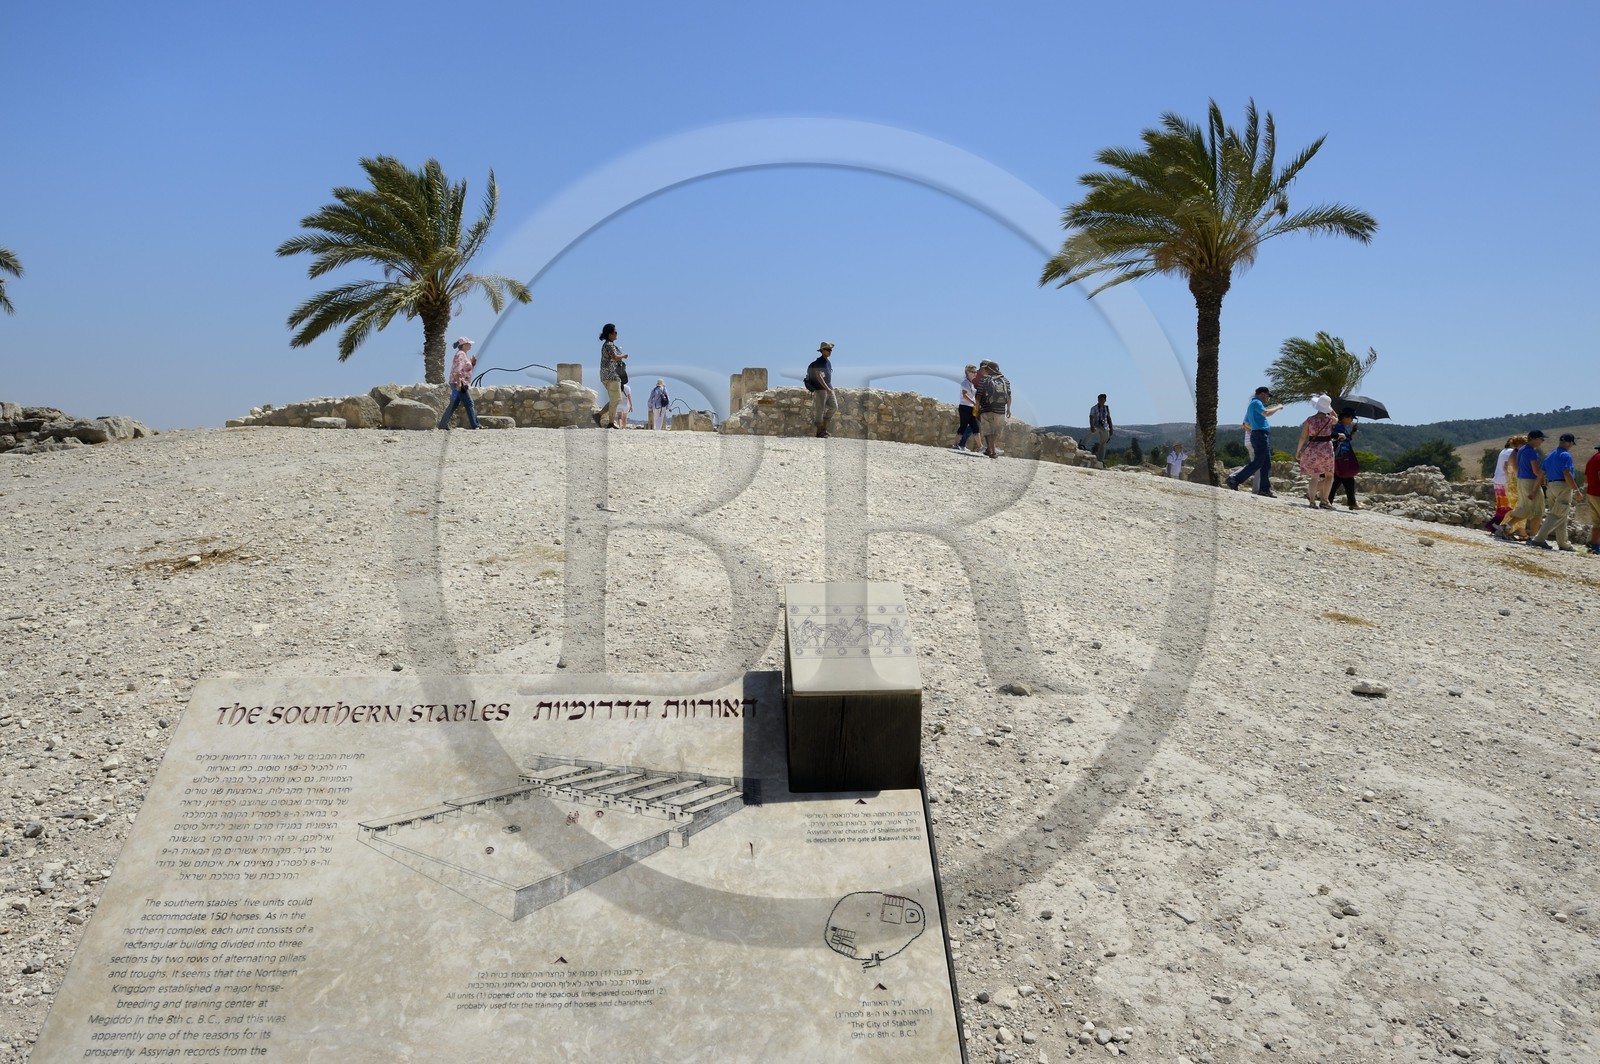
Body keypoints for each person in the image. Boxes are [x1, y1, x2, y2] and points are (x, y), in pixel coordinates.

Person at [1226, 386, 1285, 495]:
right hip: (1260, 435)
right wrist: (1278, 407)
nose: (1268, 398)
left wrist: (1254, 429)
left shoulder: (1251, 405)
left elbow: (1246, 423)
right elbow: (1266, 413)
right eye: (1267, 396)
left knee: (1266, 464)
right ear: (1263, 394)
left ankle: (1264, 489)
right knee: (1258, 462)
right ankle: (1235, 479)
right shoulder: (1257, 403)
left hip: (1258, 434)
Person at [1530, 433, 1578, 551]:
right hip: (1563, 486)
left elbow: (1541, 474)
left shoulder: (1550, 455)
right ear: (1570, 443)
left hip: (1550, 486)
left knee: (1560, 515)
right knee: (1557, 514)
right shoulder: (1566, 455)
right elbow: (1567, 473)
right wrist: (1576, 490)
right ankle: (1539, 538)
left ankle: (1563, 543)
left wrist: (1534, 490)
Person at [1498, 430, 1547, 542]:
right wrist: (1542, 477)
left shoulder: (1521, 450)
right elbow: (1535, 470)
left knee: (1525, 508)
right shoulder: (1531, 452)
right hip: (1531, 481)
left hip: (1521, 481)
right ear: (1535, 439)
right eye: (1541, 439)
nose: (1542, 441)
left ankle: (1506, 527)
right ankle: (1533, 538)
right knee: (1538, 511)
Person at [1295, 394, 1338, 509]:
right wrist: (1330, 408)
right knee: (1329, 475)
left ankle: (1312, 502)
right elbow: (1336, 418)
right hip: (1326, 449)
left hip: (1313, 448)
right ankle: (1324, 500)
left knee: (1315, 476)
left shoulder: (1309, 420)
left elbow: (1303, 437)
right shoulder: (1330, 420)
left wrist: (1298, 451)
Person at [436, 337, 480, 430]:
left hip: (458, 383)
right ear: (463, 345)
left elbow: (465, 369)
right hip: (459, 383)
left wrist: (472, 363)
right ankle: (475, 425)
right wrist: (459, 383)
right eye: (468, 343)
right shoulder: (461, 354)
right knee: (469, 403)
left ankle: (442, 425)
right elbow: (458, 369)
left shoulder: (463, 354)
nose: (470, 345)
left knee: (454, 404)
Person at [592, 324, 627, 429]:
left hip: (605, 375)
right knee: (616, 399)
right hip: (612, 375)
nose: (616, 334)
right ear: (610, 334)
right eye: (615, 332)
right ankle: (610, 422)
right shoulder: (610, 345)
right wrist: (624, 356)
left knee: (615, 399)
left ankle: (599, 416)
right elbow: (615, 357)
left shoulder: (606, 345)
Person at [976, 359, 1011, 459]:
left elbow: (978, 396)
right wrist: (1008, 409)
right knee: (995, 431)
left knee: (988, 431)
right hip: (1000, 410)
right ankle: (990, 449)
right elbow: (1009, 396)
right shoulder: (1005, 381)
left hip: (986, 410)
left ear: (989, 369)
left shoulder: (984, 380)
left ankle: (992, 451)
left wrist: (976, 409)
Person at [1486, 435, 1519, 533]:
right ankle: (1495, 524)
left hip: (1497, 480)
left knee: (1501, 505)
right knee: (1507, 506)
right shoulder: (1511, 452)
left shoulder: (1503, 451)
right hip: (1505, 481)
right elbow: (1507, 467)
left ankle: (1494, 524)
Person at [1330, 408, 1361, 509]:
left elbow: (1346, 438)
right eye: (1351, 418)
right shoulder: (1338, 426)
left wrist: (1352, 432)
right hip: (1342, 456)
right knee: (1348, 479)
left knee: (1337, 479)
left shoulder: (1341, 426)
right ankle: (1352, 503)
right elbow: (1340, 439)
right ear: (1345, 417)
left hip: (1341, 456)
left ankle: (1328, 500)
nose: (1351, 421)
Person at [805, 342, 836, 438]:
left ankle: (824, 427)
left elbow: (827, 377)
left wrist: (831, 388)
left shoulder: (828, 362)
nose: (830, 351)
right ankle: (819, 432)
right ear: (822, 350)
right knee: (820, 409)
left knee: (834, 407)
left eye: (831, 350)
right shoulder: (819, 362)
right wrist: (827, 388)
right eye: (828, 349)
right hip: (820, 389)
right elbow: (819, 376)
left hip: (828, 388)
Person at [952, 364, 980, 452]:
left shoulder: (971, 384)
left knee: (975, 427)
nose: (975, 374)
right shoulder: (965, 382)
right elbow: (964, 394)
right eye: (973, 372)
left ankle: (981, 447)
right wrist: (973, 402)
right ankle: (956, 444)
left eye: (976, 372)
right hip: (965, 407)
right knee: (963, 426)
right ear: (967, 372)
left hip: (970, 407)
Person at [1088, 394, 1114, 460]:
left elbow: (1109, 418)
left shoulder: (1106, 408)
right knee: (1090, 432)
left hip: (1105, 427)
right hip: (1096, 426)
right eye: (1099, 399)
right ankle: (1083, 444)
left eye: (1102, 399)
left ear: (1105, 400)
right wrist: (1092, 426)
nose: (1100, 401)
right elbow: (1091, 417)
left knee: (1103, 443)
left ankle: (1100, 458)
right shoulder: (1094, 408)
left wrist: (1111, 428)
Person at [1586, 443, 1600, 556]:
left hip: (1591, 493)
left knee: (1596, 522)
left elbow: (1586, 478)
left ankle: (1593, 546)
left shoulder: (1592, 459)